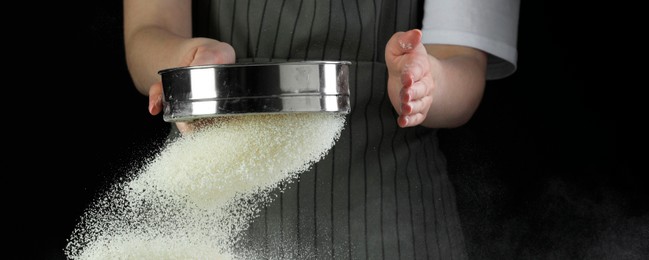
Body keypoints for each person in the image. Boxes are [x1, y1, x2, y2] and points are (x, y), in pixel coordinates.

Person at [123, 0, 519, 258]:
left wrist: (426, 81)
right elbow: (149, 29)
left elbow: (462, 63)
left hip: (391, 216)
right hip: (210, 215)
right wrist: (188, 62)